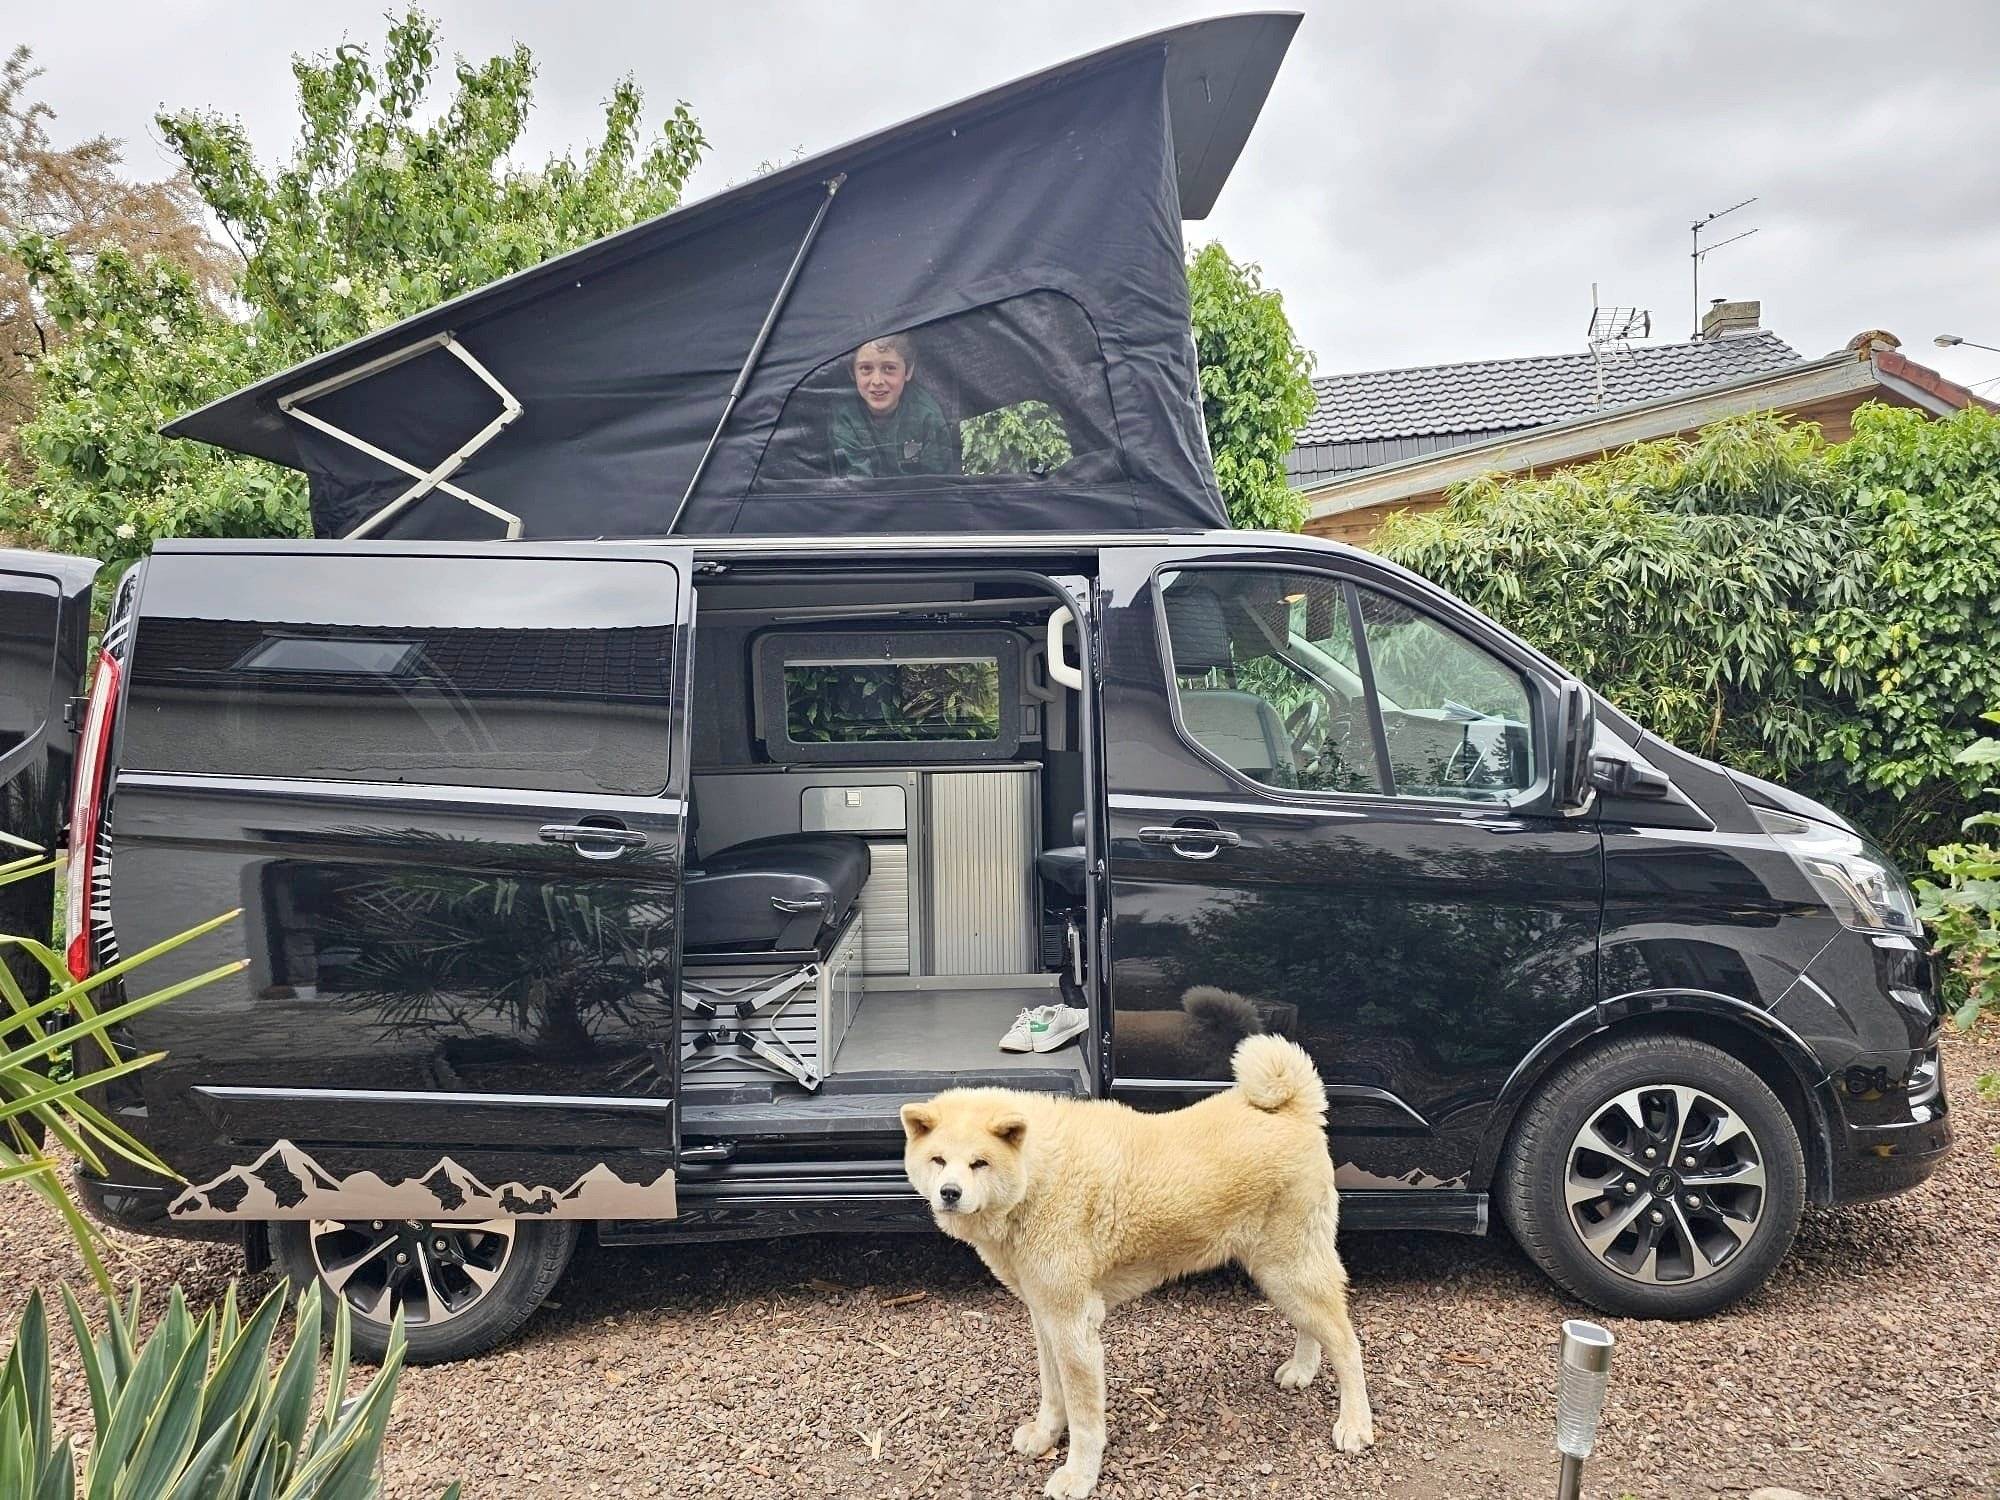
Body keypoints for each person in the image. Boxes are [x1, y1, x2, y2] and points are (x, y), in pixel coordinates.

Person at [828, 334, 959, 479]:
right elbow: (854, 480)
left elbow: (938, 479)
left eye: (889, 368)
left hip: (917, 493)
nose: (877, 381)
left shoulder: (927, 414)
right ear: (852, 372)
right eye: (866, 368)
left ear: (908, 371)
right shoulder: (844, 415)